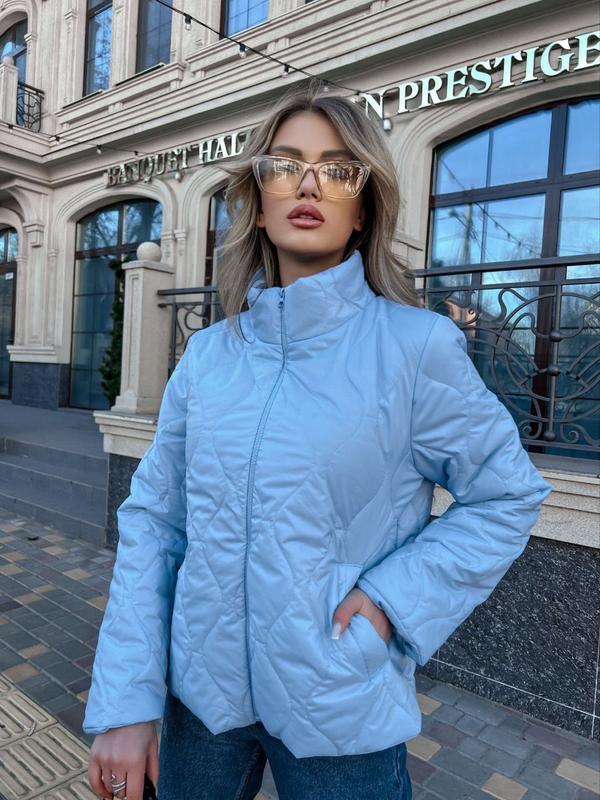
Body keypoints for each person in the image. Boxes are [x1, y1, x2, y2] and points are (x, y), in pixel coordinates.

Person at [84, 78, 553, 800]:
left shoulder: (415, 348)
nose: (309, 185)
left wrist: (391, 600)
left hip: (338, 697)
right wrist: (127, 700)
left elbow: (506, 495)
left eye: (338, 170)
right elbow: (155, 523)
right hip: (199, 697)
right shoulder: (209, 357)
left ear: (362, 209)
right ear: (258, 200)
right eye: (285, 166)